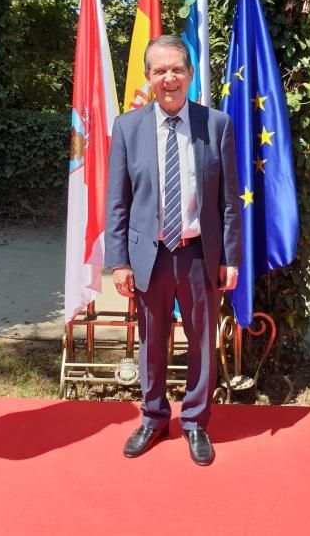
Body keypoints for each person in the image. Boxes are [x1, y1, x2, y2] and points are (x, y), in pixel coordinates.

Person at [105, 35, 242, 466]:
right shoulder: (128, 127)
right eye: (160, 70)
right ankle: (153, 416)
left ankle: (196, 422)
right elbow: (117, 200)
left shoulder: (216, 124)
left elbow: (229, 200)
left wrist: (231, 258)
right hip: (150, 254)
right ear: (148, 77)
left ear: (190, 74)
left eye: (177, 69)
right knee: (152, 341)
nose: (169, 78)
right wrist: (119, 261)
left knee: (201, 340)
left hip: (199, 253)